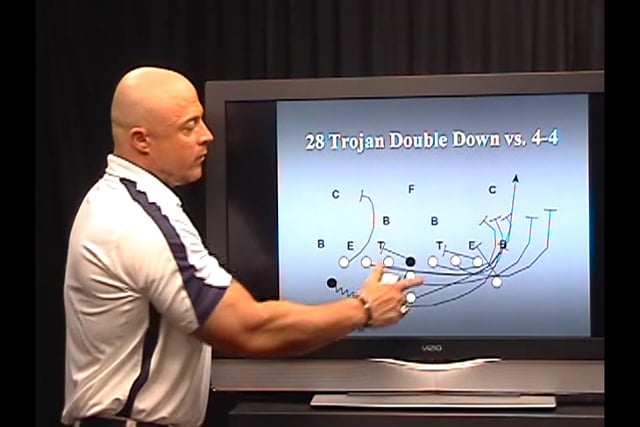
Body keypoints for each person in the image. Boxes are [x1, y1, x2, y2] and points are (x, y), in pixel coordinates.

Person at [61, 66, 422, 427]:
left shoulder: (117, 202)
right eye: (189, 127)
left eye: (202, 120)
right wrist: (364, 309)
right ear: (142, 140)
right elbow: (249, 329)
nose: (207, 136)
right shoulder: (137, 222)